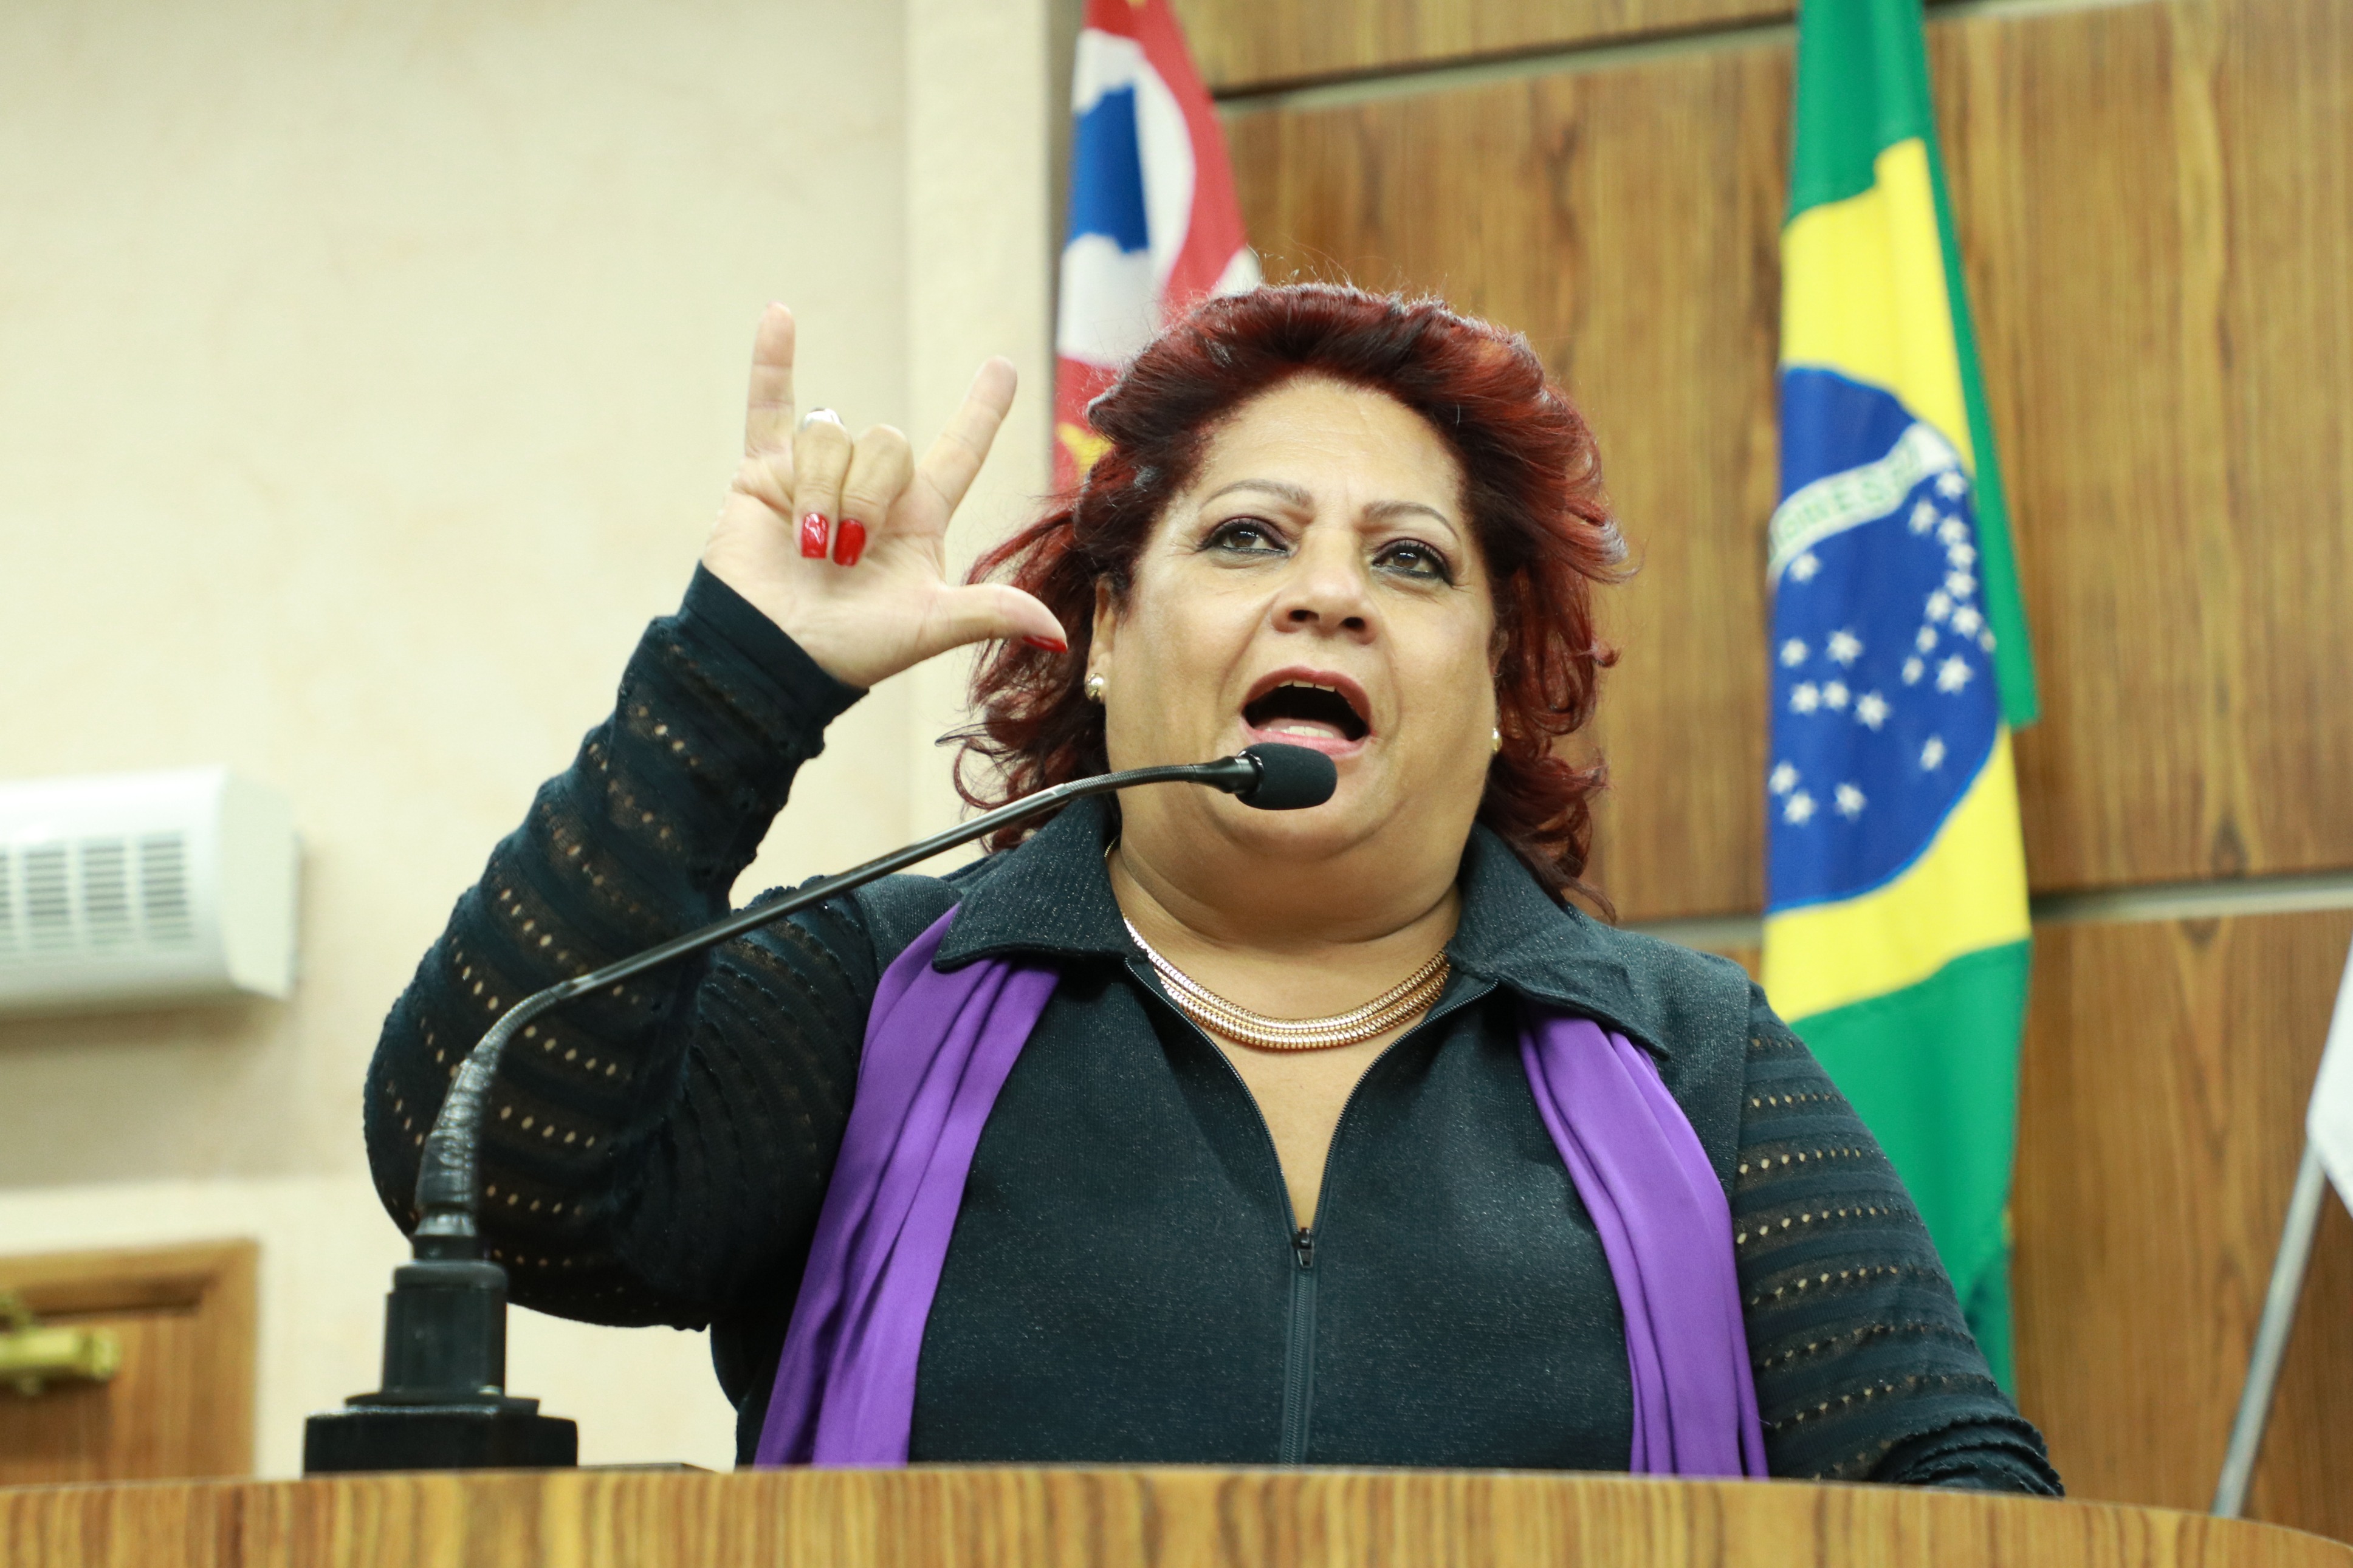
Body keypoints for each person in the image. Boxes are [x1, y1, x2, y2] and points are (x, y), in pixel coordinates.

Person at [366, 284, 2058, 1488]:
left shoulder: (1693, 1060)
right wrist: (745, 669)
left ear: (1495, 690)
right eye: (1249, 537)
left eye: (1412, 561)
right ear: (1105, 630)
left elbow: (1959, 1500)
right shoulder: (878, 991)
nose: (1329, 595)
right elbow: (489, 1164)